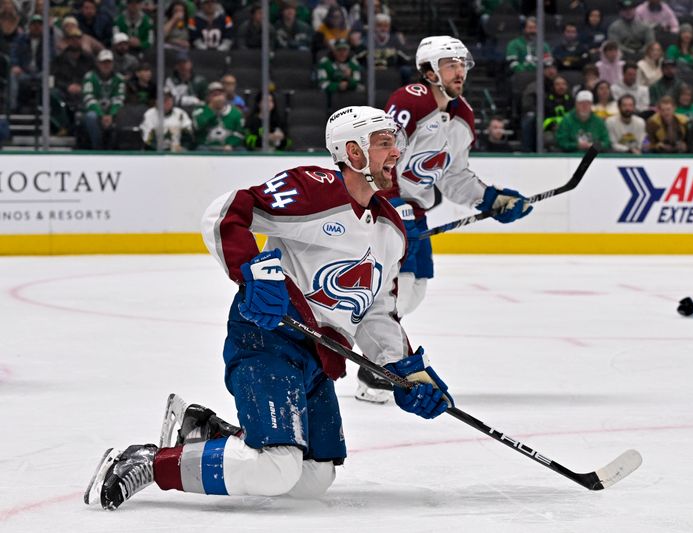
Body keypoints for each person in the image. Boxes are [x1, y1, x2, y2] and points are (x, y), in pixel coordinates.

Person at [85, 105, 454, 511]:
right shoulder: (314, 189)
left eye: (395, 144)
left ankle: (210, 434)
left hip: (315, 357)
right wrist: (254, 274)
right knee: (276, 469)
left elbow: (377, 312)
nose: (397, 154)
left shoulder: (391, 229)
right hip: (267, 338)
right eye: (384, 144)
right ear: (353, 152)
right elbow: (226, 213)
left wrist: (406, 371)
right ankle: (148, 463)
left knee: (313, 479)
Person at [364, 36, 532, 403]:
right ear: (429, 71)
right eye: (450, 64)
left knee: (414, 289)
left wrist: (491, 199)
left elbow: (453, 177)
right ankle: (374, 366)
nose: (460, 72)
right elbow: (380, 156)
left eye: (462, 65)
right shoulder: (411, 99)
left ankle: (372, 355)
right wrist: (390, 203)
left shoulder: (463, 117)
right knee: (395, 285)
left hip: (414, 208)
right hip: (384, 204)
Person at [82, 49, 125, 149]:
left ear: (113, 64)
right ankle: (97, 148)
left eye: (109, 63)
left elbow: (119, 99)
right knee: (91, 117)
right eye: (103, 63)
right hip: (95, 112)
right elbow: (89, 98)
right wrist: (101, 115)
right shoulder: (89, 77)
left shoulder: (119, 79)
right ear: (98, 64)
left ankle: (117, 149)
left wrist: (111, 114)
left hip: (112, 113)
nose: (106, 65)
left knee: (123, 115)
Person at [192, 80, 245, 151]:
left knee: (241, 150)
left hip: (229, 147)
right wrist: (211, 110)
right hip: (206, 147)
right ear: (208, 97)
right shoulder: (200, 111)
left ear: (225, 96)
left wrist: (230, 144)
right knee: (200, 149)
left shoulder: (235, 113)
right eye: (214, 95)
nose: (218, 98)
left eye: (220, 94)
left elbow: (240, 133)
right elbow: (197, 127)